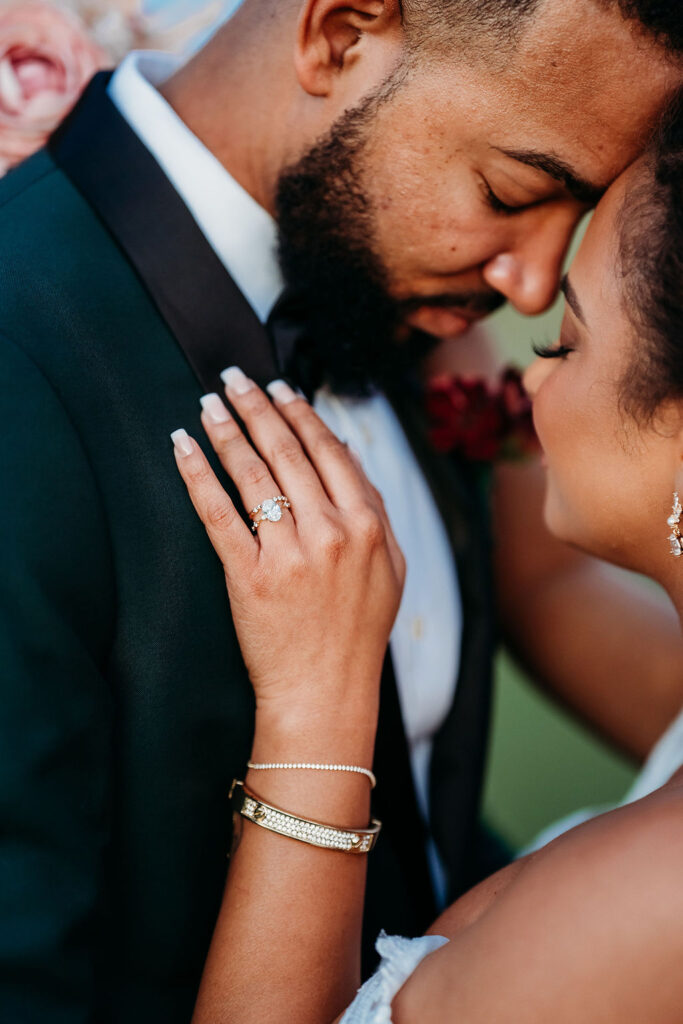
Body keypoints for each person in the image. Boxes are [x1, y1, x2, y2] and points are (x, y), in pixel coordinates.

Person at [1, 1, 683, 1019]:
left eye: (573, 214)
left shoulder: (405, 296)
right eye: (508, 190)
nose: (536, 283)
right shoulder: (27, 362)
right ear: (338, 32)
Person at [172, 91, 683, 1023]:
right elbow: (549, 587)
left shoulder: (647, 913)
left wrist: (319, 705)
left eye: (560, 341)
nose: (524, 370)